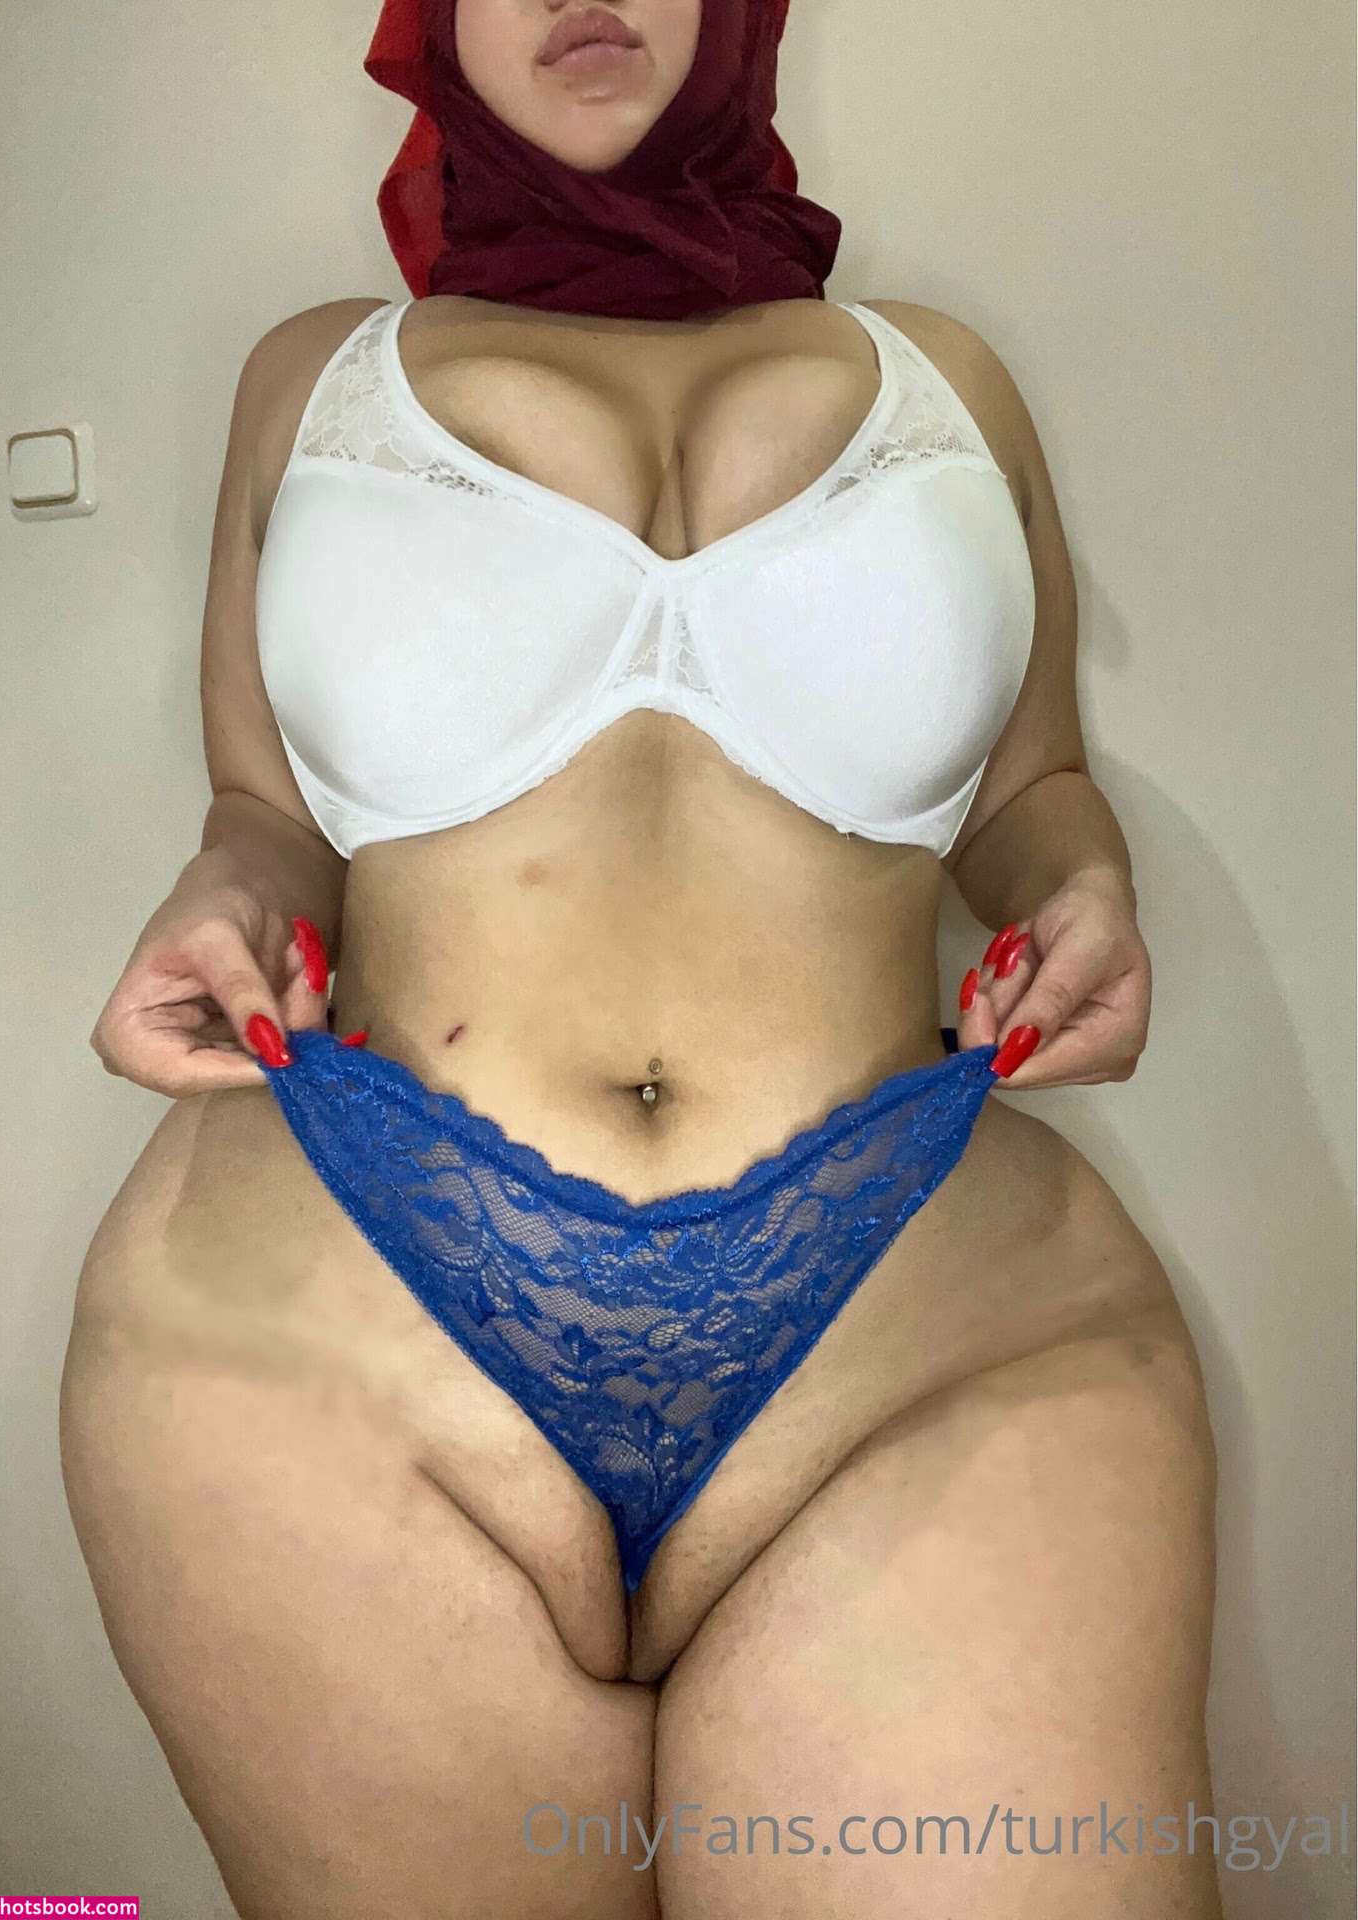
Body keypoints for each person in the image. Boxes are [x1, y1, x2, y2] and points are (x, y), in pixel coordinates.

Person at [59, 2, 1224, 1915]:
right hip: (326, 1330)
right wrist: (224, 902)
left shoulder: (943, 381)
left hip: (927, 1336)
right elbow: (265, 813)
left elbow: (1035, 789)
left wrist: (1083, 885)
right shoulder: (314, 380)